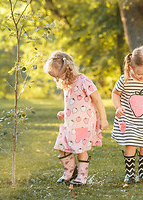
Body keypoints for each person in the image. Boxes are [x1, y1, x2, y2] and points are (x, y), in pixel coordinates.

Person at [43, 51, 108, 186]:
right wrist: (64, 112)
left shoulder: (84, 81)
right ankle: (69, 172)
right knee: (62, 145)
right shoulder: (66, 84)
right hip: (70, 123)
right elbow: (73, 103)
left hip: (84, 123)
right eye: (54, 77)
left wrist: (103, 119)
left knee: (81, 149)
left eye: (57, 76)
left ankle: (82, 177)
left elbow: (98, 100)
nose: (56, 79)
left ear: (67, 69)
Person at [111, 46, 143, 183]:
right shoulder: (125, 79)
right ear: (131, 66)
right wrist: (118, 107)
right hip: (128, 119)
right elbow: (115, 93)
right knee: (131, 144)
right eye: (140, 74)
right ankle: (130, 173)